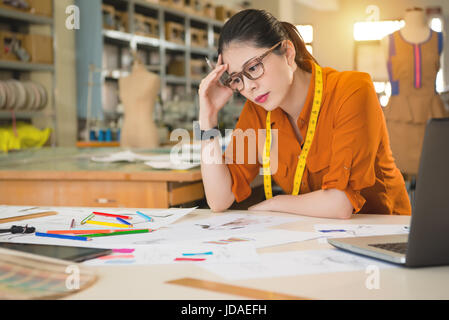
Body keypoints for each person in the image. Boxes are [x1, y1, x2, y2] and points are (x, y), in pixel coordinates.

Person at [198, 9, 411, 219]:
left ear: (288, 53)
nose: (248, 87)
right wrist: (208, 119)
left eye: (253, 68)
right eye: (236, 78)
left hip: (383, 236)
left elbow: (340, 204)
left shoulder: (352, 91)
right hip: (316, 235)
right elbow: (218, 199)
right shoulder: (258, 111)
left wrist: (275, 203)